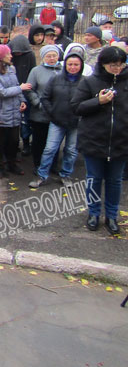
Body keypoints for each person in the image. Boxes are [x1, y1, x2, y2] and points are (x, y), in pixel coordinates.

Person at [71, 46, 128, 235]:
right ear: (103, 64)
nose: (117, 69)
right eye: (113, 65)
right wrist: (98, 101)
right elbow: (76, 107)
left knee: (115, 181)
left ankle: (111, 216)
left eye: (121, 65)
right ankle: (93, 213)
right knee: (94, 179)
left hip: (121, 141)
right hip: (94, 140)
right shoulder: (90, 82)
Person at [30, 52, 83, 188]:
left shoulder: (85, 81)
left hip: (76, 122)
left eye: (76, 64)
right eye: (70, 64)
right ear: (65, 65)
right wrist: (52, 112)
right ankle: (42, 175)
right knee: (50, 149)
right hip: (57, 120)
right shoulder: (56, 79)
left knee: (71, 150)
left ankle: (65, 175)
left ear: (81, 65)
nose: (72, 67)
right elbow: (46, 97)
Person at [0, 45, 31, 178]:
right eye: (8, 54)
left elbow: (15, 86)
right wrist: (20, 88)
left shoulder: (11, 68)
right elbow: (1, 92)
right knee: (0, 141)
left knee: (13, 140)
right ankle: (0, 166)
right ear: (1, 57)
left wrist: (22, 101)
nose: (11, 56)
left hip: (14, 111)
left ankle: (12, 163)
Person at [24, 45, 62, 170]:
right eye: (49, 56)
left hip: (57, 112)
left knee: (54, 141)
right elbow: (30, 90)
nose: (52, 58)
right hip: (40, 112)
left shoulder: (63, 70)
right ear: (43, 57)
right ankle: (38, 164)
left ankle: (52, 165)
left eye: (54, 56)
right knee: (39, 140)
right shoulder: (36, 71)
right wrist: (38, 103)